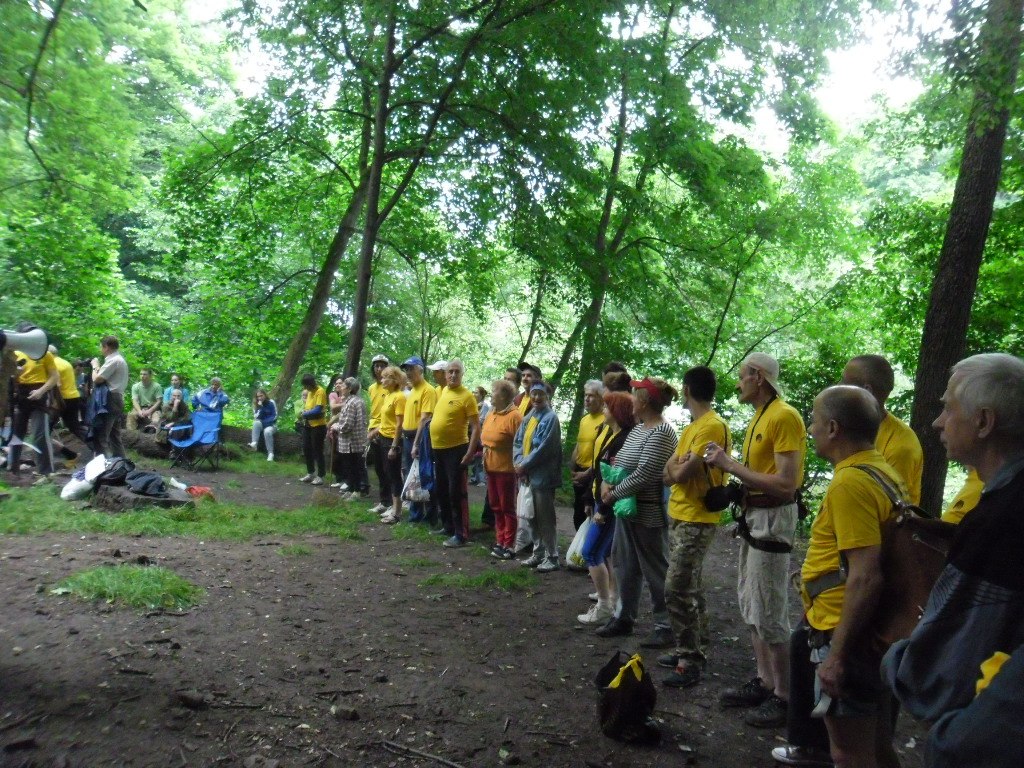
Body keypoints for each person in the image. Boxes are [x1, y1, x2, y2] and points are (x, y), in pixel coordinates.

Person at [882, 354, 1024, 767]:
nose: (937, 422)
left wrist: (893, 652)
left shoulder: (1001, 520)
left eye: (948, 408)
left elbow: (934, 680)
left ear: (983, 422)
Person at [785, 386, 905, 768]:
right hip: (866, 631)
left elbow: (865, 577)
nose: (810, 427)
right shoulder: (882, 471)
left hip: (845, 632)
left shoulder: (850, 483)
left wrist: (836, 655)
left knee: (848, 753)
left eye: (816, 421)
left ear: (833, 428)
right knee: (876, 744)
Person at [705, 352, 806, 728]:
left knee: (768, 607)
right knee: (750, 603)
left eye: (743, 376)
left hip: (773, 519)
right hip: (754, 517)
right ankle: (766, 681)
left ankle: (786, 696)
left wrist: (729, 465)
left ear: (759, 377)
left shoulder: (784, 416)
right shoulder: (760, 418)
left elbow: (786, 483)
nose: (738, 383)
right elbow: (757, 474)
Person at [660, 365, 732, 689]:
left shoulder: (712, 426)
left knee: (676, 587)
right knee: (691, 584)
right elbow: (668, 469)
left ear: (686, 389)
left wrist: (677, 468)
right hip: (679, 512)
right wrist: (676, 467)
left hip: (697, 517)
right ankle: (691, 646)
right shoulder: (694, 426)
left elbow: (680, 474)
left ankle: (691, 659)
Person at [596, 376, 679, 646]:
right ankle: (624, 617)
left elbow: (646, 474)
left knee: (656, 568)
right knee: (624, 564)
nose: (631, 399)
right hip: (626, 510)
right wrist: (608, 481)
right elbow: (621, 462)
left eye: (635, 394)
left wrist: (612, 493)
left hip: (648, 512)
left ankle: (665, 626)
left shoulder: (662, 432)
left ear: (644, 401)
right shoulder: (638, 429)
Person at [576, 391, 634, 625]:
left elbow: (618, 479)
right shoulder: (613, 434)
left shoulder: (623, 441)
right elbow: (599, 471)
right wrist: (590, 499)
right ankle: (611, 600)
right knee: (606, 553)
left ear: (617, 412)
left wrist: (604, 510)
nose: (604, 411)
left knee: (591, 552)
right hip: (601, 502)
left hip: (610, 505)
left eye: (608, 407)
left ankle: (604, 606)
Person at [841, 355, 923, 504]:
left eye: (844, 383)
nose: (837, 388)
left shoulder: (900, 446)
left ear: (867, 392)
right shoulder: (853, 430)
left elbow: (890, 511)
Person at [429, 359, 480, 547]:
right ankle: (448, 526)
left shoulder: (467, 396)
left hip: (456, 449)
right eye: (450, 371)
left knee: (455, 492)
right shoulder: (443, 391)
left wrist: (469, 452)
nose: (452, 375)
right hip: (438, 449)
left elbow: (476, 427)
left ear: (462, 374)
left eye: (456, 372)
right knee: (441, 489)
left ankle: (461, 533)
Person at [513, 382, 563, 571]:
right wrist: (518, 463)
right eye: (533, 394)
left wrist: (524, 465)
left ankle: (552, 555)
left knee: (545, 518)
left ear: (547, 396)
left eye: (540, 394)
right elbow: (518, 442)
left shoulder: (551, 419)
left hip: (543, 477)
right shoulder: (529, 417)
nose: (536, 398)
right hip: (527, 476)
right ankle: (538, 552)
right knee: (531, 516)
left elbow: (544, 449)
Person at [481, 379, 523, 559]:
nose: (491, 394)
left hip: (506, 469)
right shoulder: (492, 412)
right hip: (490, 466)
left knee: (507, 507)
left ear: (505, 395)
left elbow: (521, 443)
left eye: (494, 391)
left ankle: (509, 544)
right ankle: (499, 540)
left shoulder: (515, 416)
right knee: (495, 506)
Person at [5, 342, 60, 476]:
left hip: (39, 395)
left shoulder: (45, 354)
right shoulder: (16, 354)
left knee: (40, 433)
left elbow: (54, 377)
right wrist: (16, 374)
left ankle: (46, 472)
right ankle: (13, 468)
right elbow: (9, 377)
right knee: (17, 432)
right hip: (21, 395)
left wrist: (41, 391)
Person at [400, 357, 437, 522]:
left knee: (423, 476)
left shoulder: (427, 390)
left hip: (419, 439)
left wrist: (416, 443)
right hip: (408, 438)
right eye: (406, 369)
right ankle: (416, 513)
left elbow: (425, 418)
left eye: (411, 369)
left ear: (420, 370)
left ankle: (429, 515)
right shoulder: (413, 390)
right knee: (412, 476)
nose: (408, 373)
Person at [570, 380, 606, 530]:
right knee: (577, 513)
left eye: (591, 396)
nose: (587, 399)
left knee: (588, 513)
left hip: (592, 474)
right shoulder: (584, 419)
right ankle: (577, 550)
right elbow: (579, 444)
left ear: (601, 398)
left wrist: (587, 473)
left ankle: (587, 550)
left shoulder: (605, 419)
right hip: (579, 471)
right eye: (586, 395)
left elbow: (603, 452)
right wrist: (572, 469)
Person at [376, 365, 407, 523]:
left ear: (394, 380)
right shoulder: (388, 396)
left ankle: (397, 513)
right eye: (382, 377)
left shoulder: (399, 397)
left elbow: (399, 424)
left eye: (385, 377)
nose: (382, 380)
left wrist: (394, 446)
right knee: (387, 473)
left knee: (394, 475)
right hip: (382, 438)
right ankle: (392, 508)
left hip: (392, 441)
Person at [90, 335, 129, 460]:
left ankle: (102, 468)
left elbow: (97, 379)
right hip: (117, 399)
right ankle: (121, 464)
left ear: (107, 347)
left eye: (102, 347)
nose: (101, 350)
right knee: (114, 436)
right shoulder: (119, 359)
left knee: (102, 436)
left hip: (110, 400)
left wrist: (95, 366)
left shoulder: (114, 360)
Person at [48, 345, 89, 449]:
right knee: (75, 427)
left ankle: (48, 452)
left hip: (62, 399)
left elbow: (57, 385)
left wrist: (54, 402)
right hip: (74, 397)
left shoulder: (53, 363)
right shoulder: (65, 362)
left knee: (45, 428)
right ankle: (95, 445)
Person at [334, 377, 369, 500]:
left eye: (343, 386)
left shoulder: (353, 402)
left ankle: (356, 491)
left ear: (349, 389)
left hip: (352, 442)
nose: (341, 388)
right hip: (352, 441)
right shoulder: (352, 401)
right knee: (350, 466)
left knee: (354, 467)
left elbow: (348, 424)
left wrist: (337, 427)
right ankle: (351, 489)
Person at [367, 354, 391, 515]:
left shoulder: (389, 387)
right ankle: (383, 501)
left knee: (387, 467)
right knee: (379, 468)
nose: (379, 369)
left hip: (386, 429)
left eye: (382, 366)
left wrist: (379, 429)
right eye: (377, 366)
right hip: (373, 428)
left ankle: (391, 501)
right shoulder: (371, 388)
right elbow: (373, 410)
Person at [298, 373, 328, 485]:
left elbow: (318, 409)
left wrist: (305, 414)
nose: (306, 388)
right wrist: (304, 413)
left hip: (318, 426)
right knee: (306, 448)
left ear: (311, 384)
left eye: (307, 385)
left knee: (317, 450)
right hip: (308, 425)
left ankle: (321, 475)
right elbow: (308, 407)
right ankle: (310, 472)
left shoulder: (320, 391)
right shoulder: (309, 392)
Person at [249, 388, 277, 461]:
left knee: (267, 431)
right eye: (258, 396)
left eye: (261, 395)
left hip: (271, 425)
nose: (260, 398)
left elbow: (275, 416)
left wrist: (265, 423)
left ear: (265, 395)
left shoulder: (271, 402)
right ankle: (254, 443)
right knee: (256, 423)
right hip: (262, 424)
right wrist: (260, 407)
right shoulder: (257, 405)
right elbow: (256, 417)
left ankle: (270, 454)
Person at [469, 386, 488, 485]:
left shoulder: (484, 406)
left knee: (479, 456)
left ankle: (481, 479)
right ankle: (474, 477)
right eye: (474, 392)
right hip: (473, 433)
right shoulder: (475, 405)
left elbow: (482, 420)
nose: (474, 394)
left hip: (480, 434)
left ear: (481, 395)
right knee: (473, 455)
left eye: (476, 392)